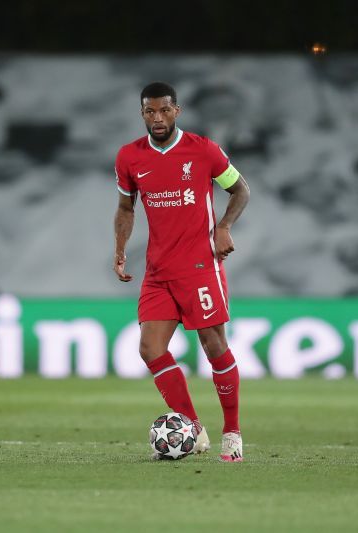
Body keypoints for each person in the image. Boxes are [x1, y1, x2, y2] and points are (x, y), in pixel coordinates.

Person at [113, 82, 250, 462]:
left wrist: (223, 227)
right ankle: (192, 426)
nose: (156, 118)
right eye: (149, 112)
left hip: (199, 266)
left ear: (177, 111)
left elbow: (241, 190)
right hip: (158, 271)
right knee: (150, 348)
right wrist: (121, 249)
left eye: (163, 111)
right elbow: (126, 209)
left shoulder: (203, 150)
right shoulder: (129, 158)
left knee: (214, 346)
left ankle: (233, 432)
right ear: (142, 114)